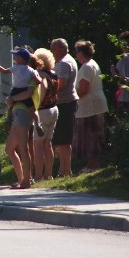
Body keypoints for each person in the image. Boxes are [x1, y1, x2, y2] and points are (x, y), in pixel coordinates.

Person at [72, 40, 109, 172]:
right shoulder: (92, 64)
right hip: (94, 104)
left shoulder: (87, 67)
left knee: (90, 135)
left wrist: (73, 99)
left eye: (77, 52)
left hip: (90, 106)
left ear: (81, 53)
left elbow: (83, 89)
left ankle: (93, 165)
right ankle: (92, 163)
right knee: (93, 134)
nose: (76, 55)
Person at [0, 48, 44, 137]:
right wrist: (35, 78)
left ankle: (9, 119)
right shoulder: (31, 70)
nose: (14, 58)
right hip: (25, 91)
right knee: (33, 110)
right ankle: (38, 124)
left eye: (16, 57)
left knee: (10, 104)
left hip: (15, 90)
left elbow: (4, 71)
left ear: (21, 59)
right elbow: (39, 80)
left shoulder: (15, 68)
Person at [50, 38, 78, 177]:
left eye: (53, 49)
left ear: (61, 48)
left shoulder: (63, 63)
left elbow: (61, 84)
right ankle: (64, 168)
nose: (52, 52)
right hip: (69, 103)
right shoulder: (70, 60)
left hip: (64, 104)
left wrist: (49, 92)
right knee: (64, 139)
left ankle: (65, 170)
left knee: (63, 139)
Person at [31, 48, 59, 180]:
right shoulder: (53, 73)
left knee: (38, 145)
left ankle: (38, 175)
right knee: (48, 143)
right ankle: (48, 174)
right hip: (54, 109)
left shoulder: (41, 74)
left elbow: (44, 86)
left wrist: (37, 104)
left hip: (43, 111)